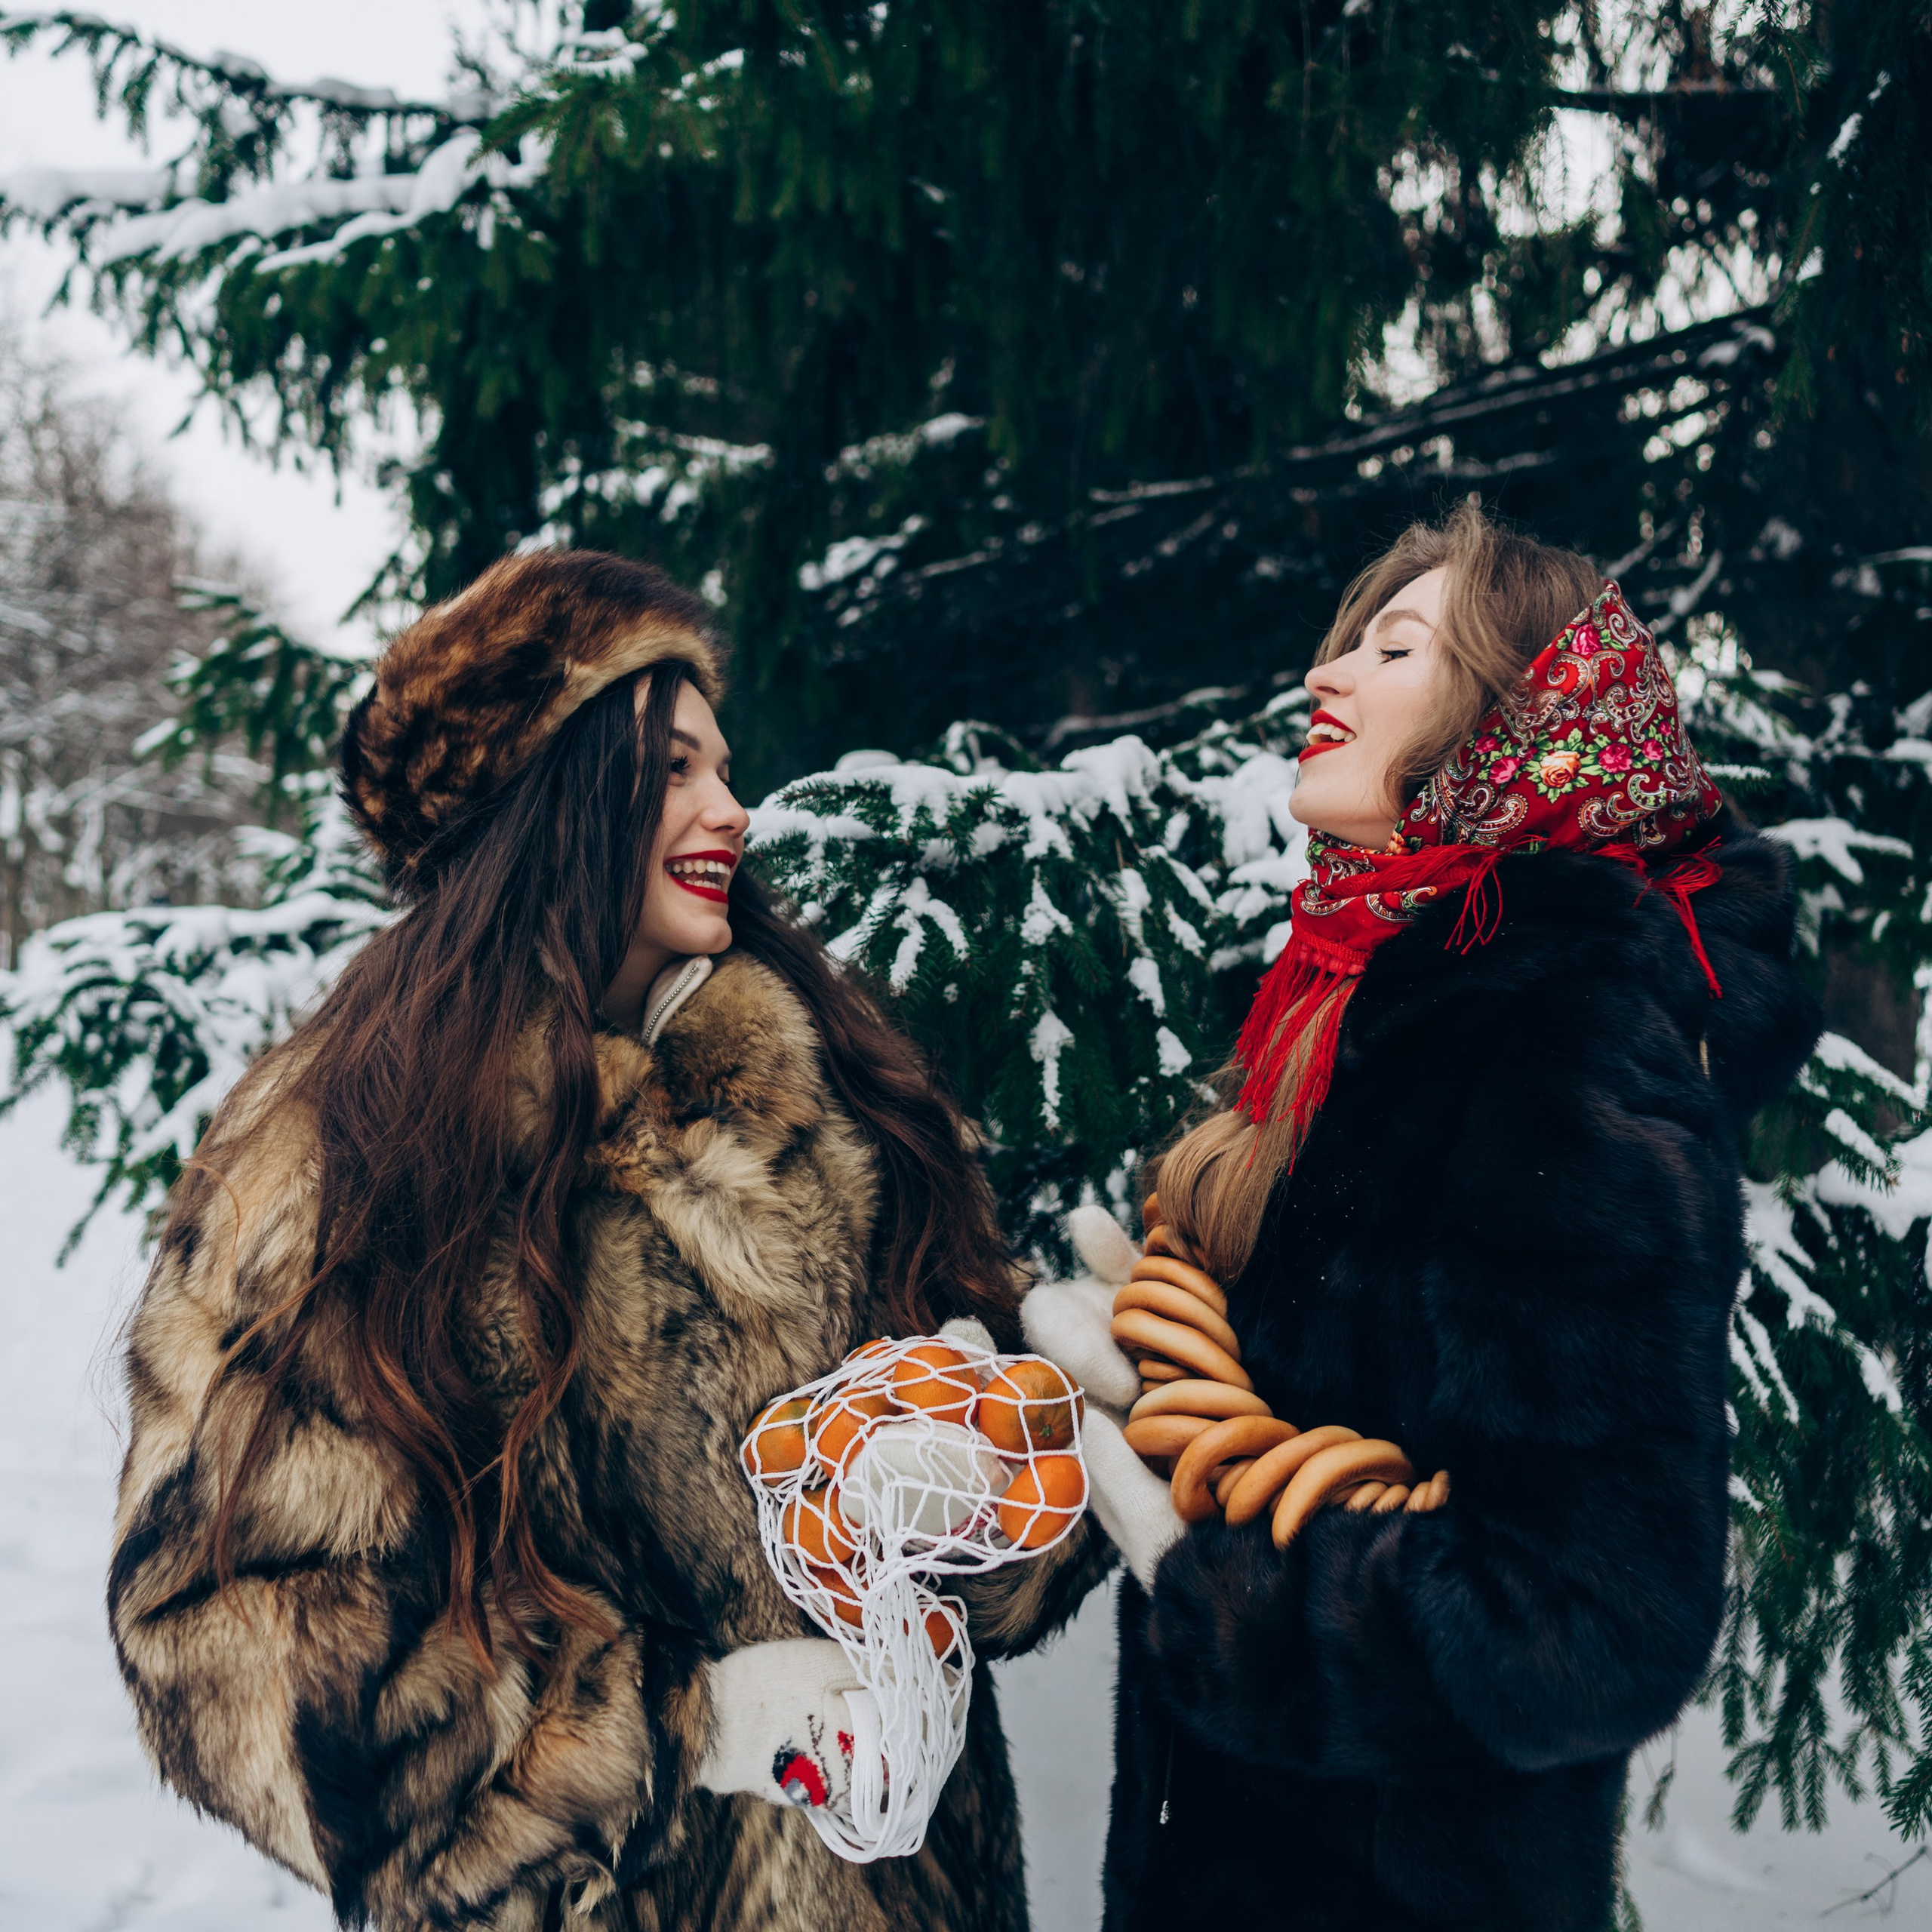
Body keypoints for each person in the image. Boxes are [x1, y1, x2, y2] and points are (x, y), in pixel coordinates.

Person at [107, 549, 1106, 1932]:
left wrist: (995, 1472)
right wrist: (687, 1726)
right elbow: (224, 1635)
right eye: (677, 768)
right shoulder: (348, 1154)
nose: (733, 812)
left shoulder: (828, 1100)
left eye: (725, 767)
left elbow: (976, 1550)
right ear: (555, 795)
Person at [1024, 506, 1822, 1930]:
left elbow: (1591, 1614)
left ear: (1515, 728)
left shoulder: (1558, 1043)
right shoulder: (1358, 1005)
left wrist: (1230, 1606)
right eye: (1344, 643)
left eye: (1394, 648)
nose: (1325, 678)